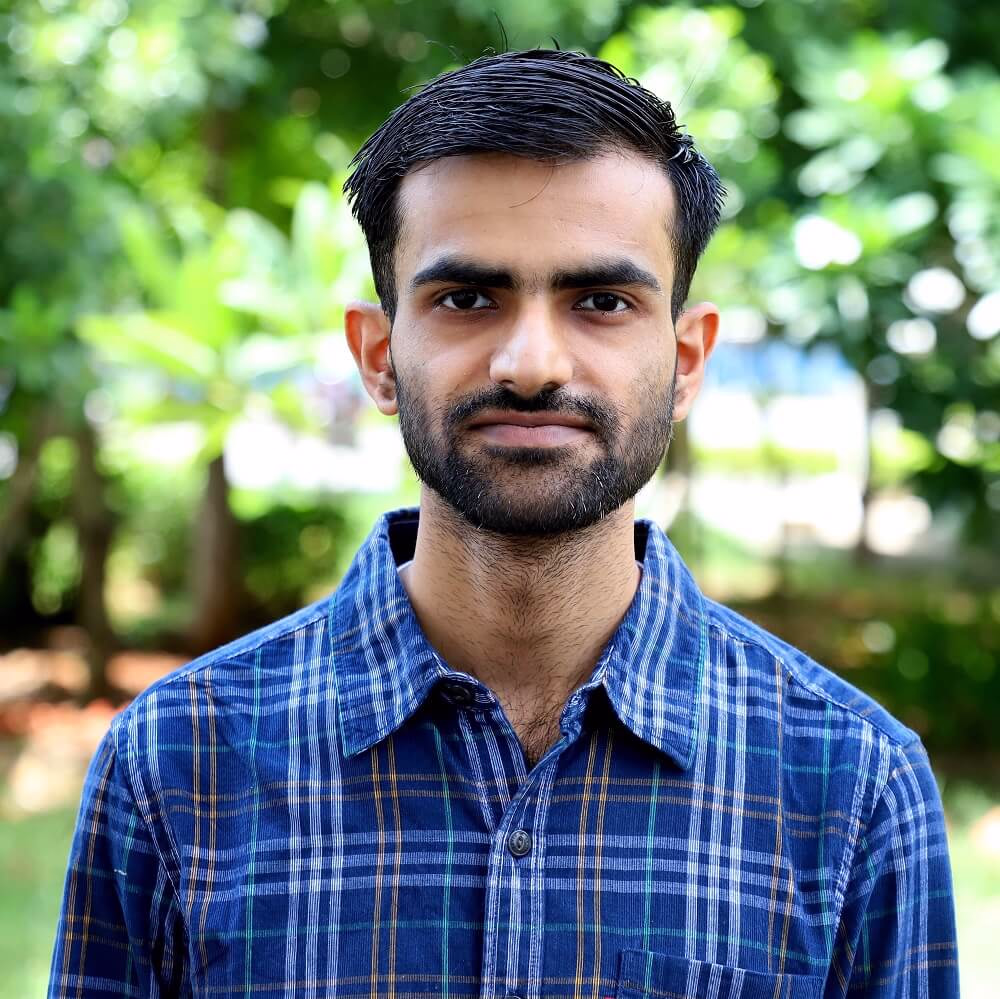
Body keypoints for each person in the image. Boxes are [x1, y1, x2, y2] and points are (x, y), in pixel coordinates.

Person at [50, 49, 959, 999]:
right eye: (467, 298)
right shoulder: (176, 765)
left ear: (686, 361)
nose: (531, 363)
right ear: (378, 355)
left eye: (601, 301)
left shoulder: (852, 785)